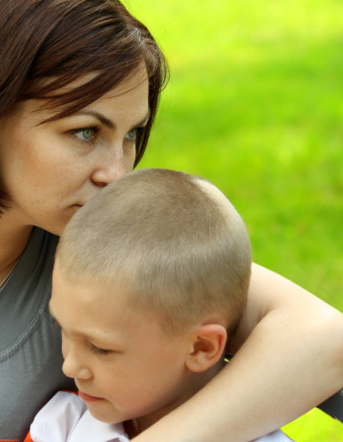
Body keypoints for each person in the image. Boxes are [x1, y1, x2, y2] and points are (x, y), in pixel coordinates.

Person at [0, 0, 343, 442]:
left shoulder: (102, 264)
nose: (116, 173)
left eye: (132, 134)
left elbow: (324, 337)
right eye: (86, 132)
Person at [26, 168, 293, 441]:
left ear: (200, 347)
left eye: (100, 348)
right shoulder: (61, 425)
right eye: (62, 328)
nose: (70, 367)